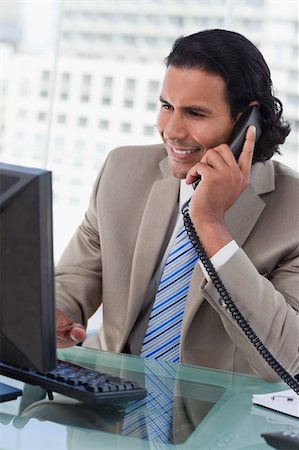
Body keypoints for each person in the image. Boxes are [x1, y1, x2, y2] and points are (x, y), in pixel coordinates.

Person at [55, 29, 299, 382]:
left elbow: (288, 359)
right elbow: (76, 278)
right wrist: (55, 312)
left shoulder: (292, 210)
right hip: (104, 406)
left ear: (249, 122)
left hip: (219, 422)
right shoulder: (122, 170)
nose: (171, 130)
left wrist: (211, 224)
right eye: (167, 106)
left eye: (196, 113)